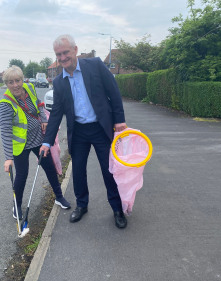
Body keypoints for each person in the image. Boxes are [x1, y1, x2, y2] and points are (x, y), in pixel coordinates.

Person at [40, 34, 128, 229]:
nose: (62, 58)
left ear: (75, 50)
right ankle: (82, 205)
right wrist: (47, 141)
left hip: (100, 128)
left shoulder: (95, 65)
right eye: (58, 55)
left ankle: (117, 208)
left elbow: (113, 92)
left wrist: (119, 120)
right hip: (78, 131)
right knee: (78, 171)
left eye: (65, 53)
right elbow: (55, 114)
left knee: (109, 171)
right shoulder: (59, 82)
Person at [0, 65, 71, 220]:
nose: (15, 85)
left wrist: (44, 120)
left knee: (49, 168)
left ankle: (58, 196)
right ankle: (16, 205)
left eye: (17, 80)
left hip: (38, 139)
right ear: (6, 84)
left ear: (22, 79)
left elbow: (38, 104)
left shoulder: (29, 87)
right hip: (21, 145)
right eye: (10, 82)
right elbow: (5, 132)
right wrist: (8, 157)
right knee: (22, 175)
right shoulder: (6, 103)